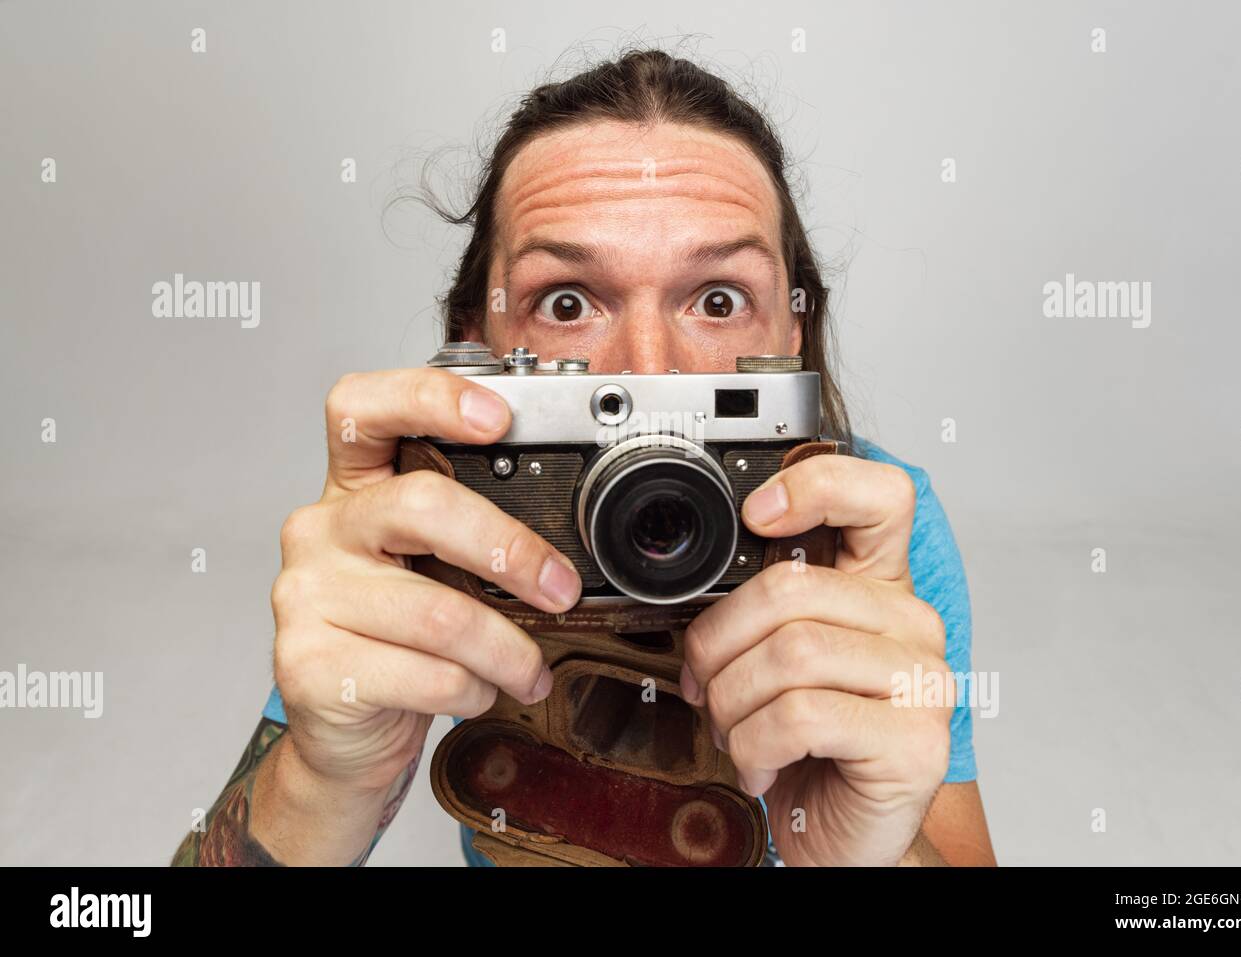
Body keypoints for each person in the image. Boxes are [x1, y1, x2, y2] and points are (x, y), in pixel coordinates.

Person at [172, 48, 995, 867]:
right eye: (567, 303)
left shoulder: (874, 535)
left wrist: (866, 854)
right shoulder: (429, 528)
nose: (647, 370)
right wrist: (327, 779)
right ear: (478, 346)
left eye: (718, 299)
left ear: (791, 337)